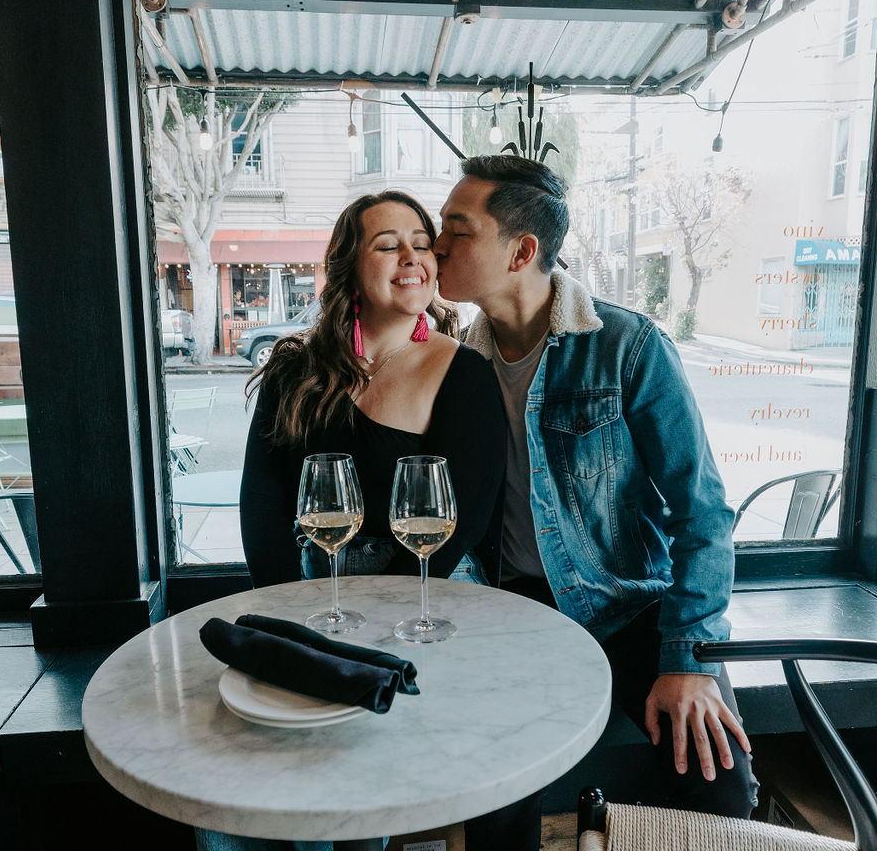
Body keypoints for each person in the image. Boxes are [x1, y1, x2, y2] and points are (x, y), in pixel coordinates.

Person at [432, 155, 757, 851]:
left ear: (521, 251)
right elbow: (453, 518)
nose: (437, 245)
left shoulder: (627, 347)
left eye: (457, 230)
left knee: (721, 789)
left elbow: (701, 511)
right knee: (495, 792)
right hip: (516, 612)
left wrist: (687, 659)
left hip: (631, 605)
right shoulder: (459, 364)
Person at [240, 189, 506, 588]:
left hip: (431, 585)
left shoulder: (466, 371)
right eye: (387, 246)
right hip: (315, 582)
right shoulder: (294, 367)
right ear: (349, 267)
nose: (411, 257)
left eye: (421, 244)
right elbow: (262, 502)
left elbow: (464, 519)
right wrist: (281, 600)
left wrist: (384, 605)